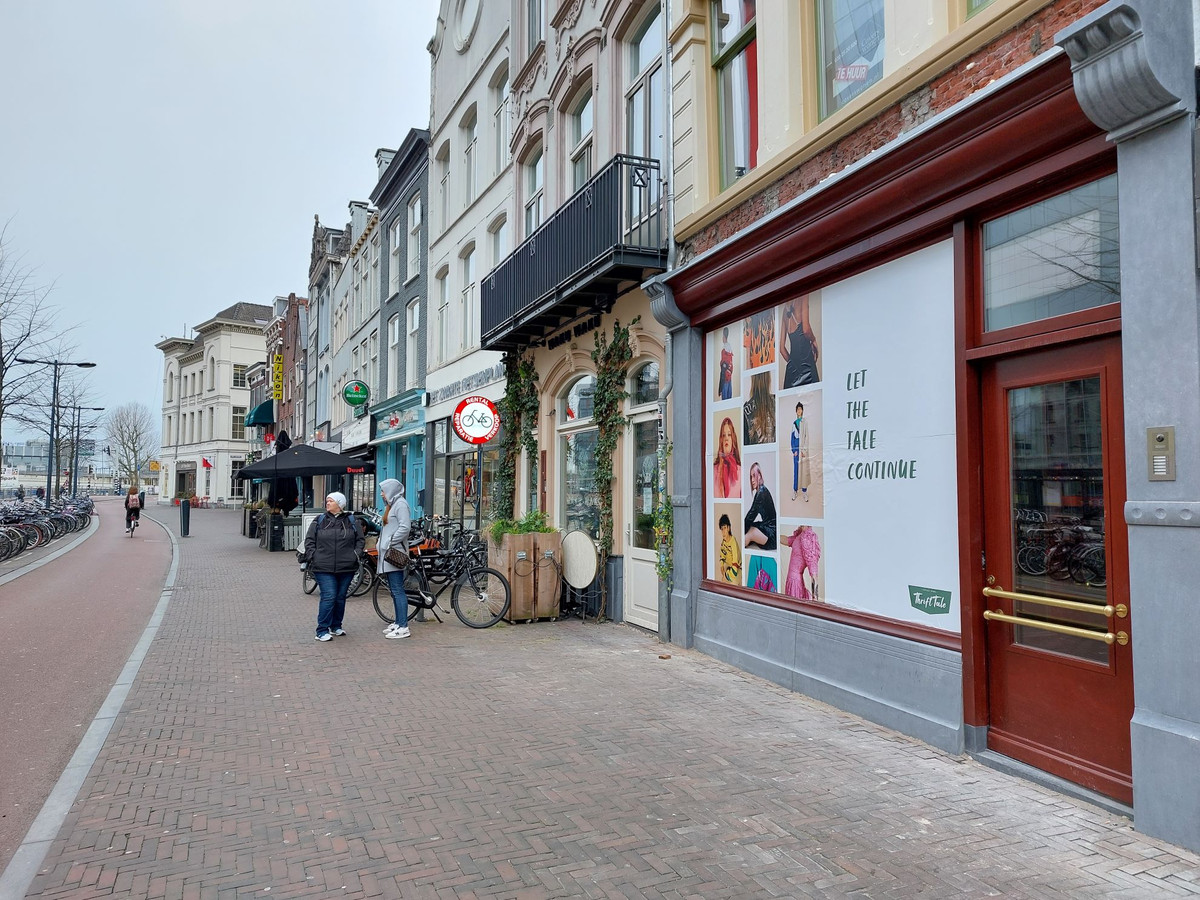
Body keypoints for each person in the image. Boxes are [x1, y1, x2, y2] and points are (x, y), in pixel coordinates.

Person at [303, 491, 364, 642]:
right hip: (323, 566)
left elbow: (360, 540)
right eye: (327, 501)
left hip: (347, 566)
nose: (327, 503)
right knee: (329, 596)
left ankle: (336, 625)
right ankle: (322, 630)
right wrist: (313, 556)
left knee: (340, 597)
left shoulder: (352, 520)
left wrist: (355, 555)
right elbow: (309, 540)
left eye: (331, 501)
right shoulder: (320, 520)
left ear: (340, 504)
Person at [376, 478, 413, 639]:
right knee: (395, 590)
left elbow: (405, 527)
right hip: (389, 552)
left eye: (383, 491)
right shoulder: (392, 505)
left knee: (397, 590)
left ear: (390, 490)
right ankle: (399, 622)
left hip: (394, 553)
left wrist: (390, 541)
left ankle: (403, 626)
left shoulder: (400, 505)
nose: (381, 494)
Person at [780, 294, 820, 388]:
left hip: (792, 370)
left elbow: (782, 349)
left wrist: (792, 364)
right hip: (807, 363)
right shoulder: (803, 295)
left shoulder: (784, 310)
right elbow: (806, 330)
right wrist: (814, 340)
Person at [783, 524, 821, 602]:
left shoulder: (808, 538)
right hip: (791, 581)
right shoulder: (800, 535)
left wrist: (815, 601)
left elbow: (813, 571)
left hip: (795, 583)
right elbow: (787, 540)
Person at [744, 462, 777, 550]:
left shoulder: (762, 492)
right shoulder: (760, 491)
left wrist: (741, 530)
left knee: (750, 532)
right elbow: (751, 514)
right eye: (751, 477)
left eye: (754, 476)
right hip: (768, 526)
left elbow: (751, 514)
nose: (752, 480)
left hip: (773, 534)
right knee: (751, 526)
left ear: (759, 476)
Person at [713, 417, 742, 499]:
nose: (726, 438)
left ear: (733, 439)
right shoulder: (713, 470)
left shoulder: (740, 471)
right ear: (720, 440)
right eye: (723, 435)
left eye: (729, 435)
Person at [790, 400, 810, 502]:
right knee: (796, 471)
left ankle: (805, 492)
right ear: (796, 411)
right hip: (796, 451)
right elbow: (792, 438)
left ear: (802, 411)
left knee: (804, 471)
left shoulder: (805, 422)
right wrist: (794, 451)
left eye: (800, 409)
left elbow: (807, 437)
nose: (799, 411)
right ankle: (795, 490)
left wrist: (804, 450)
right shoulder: (794, 424)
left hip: (802, 450)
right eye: (797, 409)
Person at [718, 514, 741, 584]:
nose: (723, 531)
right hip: (729, 568)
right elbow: (722, 555)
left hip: (737, 569)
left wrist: (726, 575)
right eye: (722, 529)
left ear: (729, 528)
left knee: (731, 586)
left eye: (725, 528)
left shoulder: (733, 541)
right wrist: (721, 565)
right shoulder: (723, 542)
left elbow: (735, 565)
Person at [718, 327, 734, 400]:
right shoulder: (730, 348)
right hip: (729, 376)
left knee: (725, 398)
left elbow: (724, 367)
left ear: (724, 337)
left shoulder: (724, 349)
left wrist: (720, 388)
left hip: (725, 377)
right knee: (729, 397)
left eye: (722, 336)